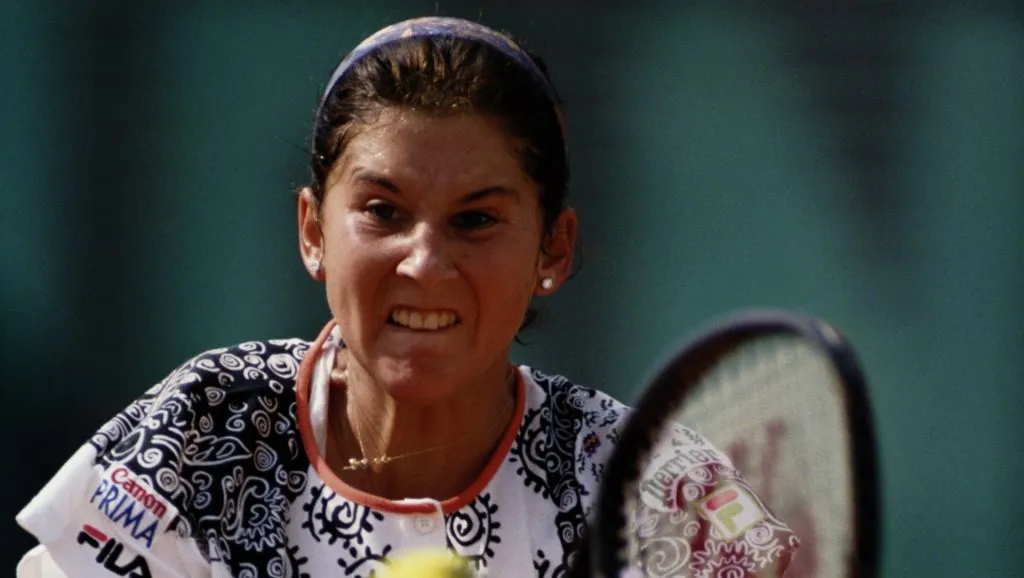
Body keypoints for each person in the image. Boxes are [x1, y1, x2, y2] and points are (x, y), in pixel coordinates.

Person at [16, 17, 798, 578]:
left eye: (477, 220)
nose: (425, 264)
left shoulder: (654, 492)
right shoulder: (203, 434)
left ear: (551, 249)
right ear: (314, 231)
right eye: (383, 212)